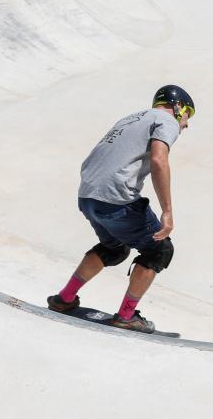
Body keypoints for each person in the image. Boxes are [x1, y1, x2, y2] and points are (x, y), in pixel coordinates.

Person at [47, 85, 195, 334]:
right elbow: (159, 160)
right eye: (187, 115)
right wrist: (167, 211)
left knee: (113, 249)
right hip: (116, 199)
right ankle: (126, 316)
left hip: (88, 196)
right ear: (178, 107)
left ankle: (64, 299)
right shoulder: (167, 119)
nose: (186, 124)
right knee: (159, 250)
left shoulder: (131, 118)